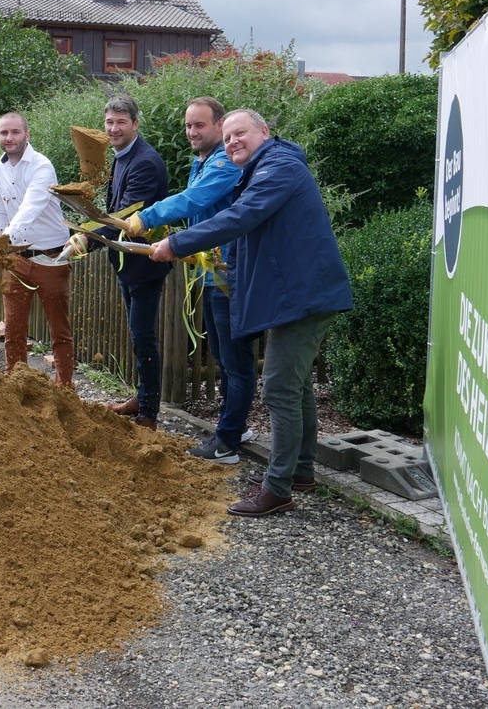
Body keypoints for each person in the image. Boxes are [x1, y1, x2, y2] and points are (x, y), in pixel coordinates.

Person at [150, 109, 353, 517]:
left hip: (305, 296)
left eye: (239, 133)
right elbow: (246, 236)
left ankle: (276, 488)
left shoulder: (278, 167)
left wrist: (179, 243)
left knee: (277, 387)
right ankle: (301, 471)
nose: (232, 142)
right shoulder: (262, 168)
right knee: (295, 387)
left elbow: (240, 217)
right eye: (226, 138)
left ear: (265, 131)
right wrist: (214, 260)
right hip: (300, 293)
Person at [124, 97, 257, 464]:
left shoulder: (224, 163)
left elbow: (194, 199)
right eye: (188, 125)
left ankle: (228, 441)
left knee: (235, 359)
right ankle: (236, 427)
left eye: (200, 125)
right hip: (209, 271)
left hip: (229, 273)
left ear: (219, 126)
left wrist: (148, 217)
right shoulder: (200, 162)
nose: (192, 132)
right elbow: (198, 212)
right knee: (223, 355)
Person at [67, 94, 170, 429]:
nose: (113, 129)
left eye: (121, 122)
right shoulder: (121, 157)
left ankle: (149, 412)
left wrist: (85, 235)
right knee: (137, 332)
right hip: (127, 264)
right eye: (109, 122)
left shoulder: (144, 162)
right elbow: (112, 208)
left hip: (144, 264)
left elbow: (124, 213)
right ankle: (141, 397)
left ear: (135, 124)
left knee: (143, 336)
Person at [0, 111, 74, 387]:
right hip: (16, 260)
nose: (9, 138)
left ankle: (64, 388)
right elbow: (0, 210)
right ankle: (15, 383)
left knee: (58, 330)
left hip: (51, 257)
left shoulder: (41, 166)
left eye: (15, 132)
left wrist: (4, 239)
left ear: (27, 135)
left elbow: (29, 210)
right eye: (4, 133)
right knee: (13, 328)